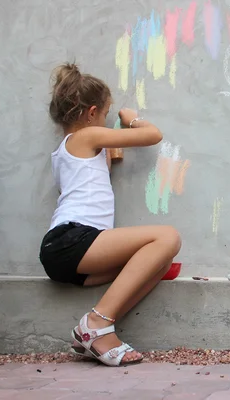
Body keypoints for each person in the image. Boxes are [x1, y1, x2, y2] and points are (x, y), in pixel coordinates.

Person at [39, 63, 182, 367]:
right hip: (72, 239)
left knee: (159, 262)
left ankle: (101, 327)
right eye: (105, 113)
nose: (106, 121)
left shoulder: (70, 149)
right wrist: (132, 119)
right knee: (167, 236)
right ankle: (95, 323)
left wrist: (108, 154)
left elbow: (91, 182)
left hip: (68, 251)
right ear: (92, 114)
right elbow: (153, 135)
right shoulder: (88, 136)